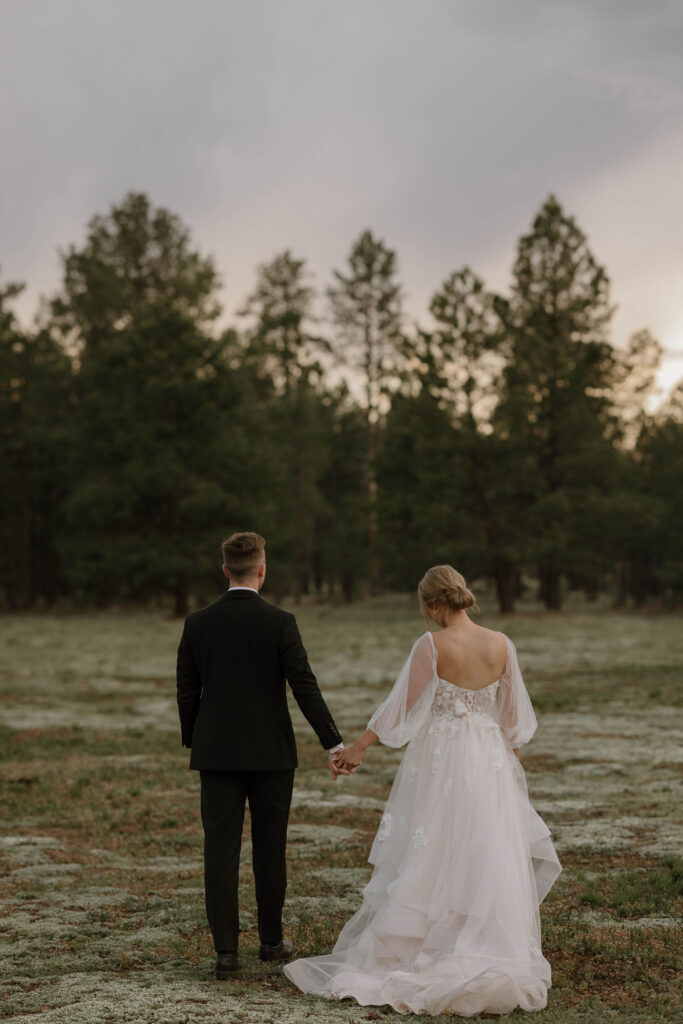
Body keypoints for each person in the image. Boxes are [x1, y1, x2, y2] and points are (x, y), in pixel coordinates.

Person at [287, 565, 562, 1016]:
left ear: (434, 605)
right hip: (490, 761)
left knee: (434, 845)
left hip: (444, 761)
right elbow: (512, 722)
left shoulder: (431, 645)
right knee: (485, 848)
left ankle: (426, 940)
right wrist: (509, 771)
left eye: (426, 609)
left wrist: (357, 748)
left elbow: (401, 707)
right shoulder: (501, 644)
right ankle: (486, 941)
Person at [176, 531, 347, 980]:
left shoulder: (198, 623)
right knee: (270, 849)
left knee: (220, 852)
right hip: (272, 754)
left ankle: (226, 953)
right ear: (262, 569)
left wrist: (197, 738)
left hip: (216, 755)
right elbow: (303, 685)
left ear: (225, 570)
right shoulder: (280, 621)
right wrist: (333, 742)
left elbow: (187, 691)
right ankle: (271, 942)